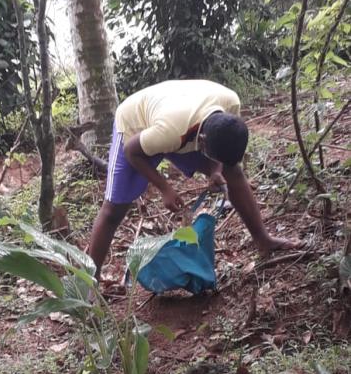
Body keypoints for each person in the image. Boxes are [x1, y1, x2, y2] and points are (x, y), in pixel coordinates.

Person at [89, 79, 297, 279]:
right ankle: (90, 282)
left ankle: (263, 241)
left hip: (180, 118)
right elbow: (131, 152)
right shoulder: (169, 132)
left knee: (233, 172)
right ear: (203, 142)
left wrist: (217, 171)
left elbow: (225, 160)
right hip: (136, 124)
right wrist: (165, 188)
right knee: (114, 209)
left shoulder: (231, 104)